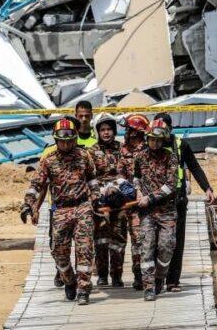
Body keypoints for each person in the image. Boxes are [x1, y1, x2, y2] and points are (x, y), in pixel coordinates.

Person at [21, 118, 100, 305]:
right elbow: (36, 184)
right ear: (56, 140)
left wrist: (96, 197)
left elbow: (92, 179)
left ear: (74, 138)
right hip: (61, 210)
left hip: (82, 208)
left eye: (70, 140)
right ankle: (69, 280)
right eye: (62, 141)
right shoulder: (48, 160)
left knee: (85, 249)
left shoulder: (84, 156)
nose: (66, 144)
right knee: (59, 252)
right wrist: (27, 204)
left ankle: (83, 288)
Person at [152, 112, 217, 293]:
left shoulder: (180, 144)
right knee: (155, 241)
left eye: (163, 129)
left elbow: (194, 166)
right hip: (155, 202)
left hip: (177, 200)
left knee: (176, 241)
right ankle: (154, 278)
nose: (159, 134)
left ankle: (172, 280)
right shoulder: (149, 146)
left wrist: (207, 188)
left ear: (170, 129)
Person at [134, 118, 179, 301]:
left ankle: (160, 277)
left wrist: (150, 198)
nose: (155, 143)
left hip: (166, 210)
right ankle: (149, 286)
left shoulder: (171, 157)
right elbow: (136, 176)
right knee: (146, 247)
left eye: (158, 140)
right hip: (147, 213)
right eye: (152, 139)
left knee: (166, 247)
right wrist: (137, 191)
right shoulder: (140, 156)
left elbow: (171, 185)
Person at [89, 113, 126, 287]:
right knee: (101, 239)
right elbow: (89, 177)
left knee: (118, 238)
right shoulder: (91, 152)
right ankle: (102, 275)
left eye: (109, 129)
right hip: (100, 200)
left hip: (120, 199)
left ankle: (117, 276)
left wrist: (116, 187)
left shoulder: (122, 149)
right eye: (102, 129)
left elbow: (127, 173)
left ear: (114, 130)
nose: (106, 133)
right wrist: (102, 191)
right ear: (98, 132)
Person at [118, 113, 151, 290]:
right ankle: (139, 274)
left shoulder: (150, 149)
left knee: (151, 241)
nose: (126, 133)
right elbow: (120, 175)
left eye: (129, 130)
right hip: (132, 205)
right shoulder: (123, 151)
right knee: (138, 240)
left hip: (152, 202)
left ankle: (154, 276)